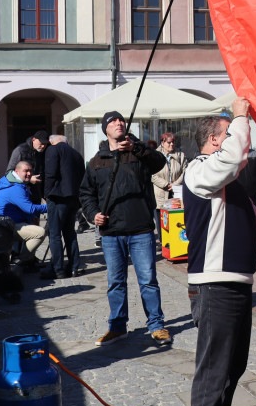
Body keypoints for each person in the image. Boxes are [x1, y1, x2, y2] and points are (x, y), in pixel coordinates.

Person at [184, 105, 256, 406]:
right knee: (214, 366)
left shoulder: (230, 181)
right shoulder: (200, 169)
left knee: (232, 365)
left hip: (237, 281)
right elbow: (229, 161)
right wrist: (242, 117)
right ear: (215, 140)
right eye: (230, 135)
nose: (240, 142)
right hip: (214, 282)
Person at [80, 110, 173, 347]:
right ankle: (118, 327)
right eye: (112, 121)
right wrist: (93, 215)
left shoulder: (139, 152)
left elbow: (159, 162)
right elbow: (87, 194)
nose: (119, 123)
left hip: (140, 228)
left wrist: (136, 148)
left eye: (121, 119)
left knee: (148, 280)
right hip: (111, 232)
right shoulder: (96, 161)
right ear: (105, 129)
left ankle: (157, 325)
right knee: (116, 282)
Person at [43, 134, 86, 279]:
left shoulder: (53, 150)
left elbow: (50, 174)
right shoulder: (77, 154)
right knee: (70, 234)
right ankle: (74, 267)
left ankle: (57, 269)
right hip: (73, 198)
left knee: (54, 234)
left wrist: (47, 193)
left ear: (52, 141)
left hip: (57, 197)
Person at [0, 160, 49, 267]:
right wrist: (51, 208)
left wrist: (31, 218)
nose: (29, 173)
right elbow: (30, 208)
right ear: (17, 171)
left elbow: (22, 208)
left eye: (30, 171)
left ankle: (28, 260)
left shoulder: (10, 181)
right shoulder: (15, 188)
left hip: (6, 223)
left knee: (32, 226)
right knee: (40, 232)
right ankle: (21, 260)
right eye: (25, 171)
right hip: (5, 226)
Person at [7, 130, 49, 203]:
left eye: (45, 144)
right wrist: (28, 179)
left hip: (36, 194)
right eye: (41, 143)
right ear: (34, 140)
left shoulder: (42, 152)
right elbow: (9, 174)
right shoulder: (20, 150)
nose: (43, 146)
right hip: (21, 192)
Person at [152, 131, 188, 208]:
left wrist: (175, 185)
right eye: (169, 142)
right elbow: (152, 174)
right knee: (162, 218)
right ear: (162, 143)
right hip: (161, 194)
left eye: (173, 142)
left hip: (177, 193)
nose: (172, 144)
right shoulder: (155, 155)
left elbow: (185, 172)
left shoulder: (180, 155)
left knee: (176, 218)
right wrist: (166, 184)